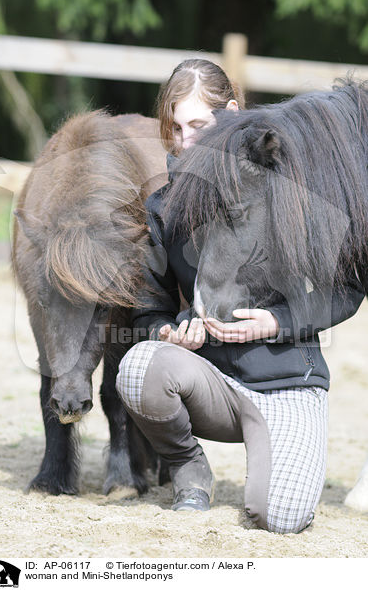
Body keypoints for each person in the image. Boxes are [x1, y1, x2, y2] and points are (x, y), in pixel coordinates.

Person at [115, 59, 364, 533]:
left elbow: (348, 291)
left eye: (199, 125)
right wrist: (170, 331)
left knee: (282, 516)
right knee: (140, 366)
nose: (186, 140)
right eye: (175, 126)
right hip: (209, 380)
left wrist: (279, 321)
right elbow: (148, 310)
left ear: (231, 114)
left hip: (286, 382)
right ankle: (188, 468)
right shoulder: (163, 206)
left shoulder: (289, 192)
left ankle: (277, 461)